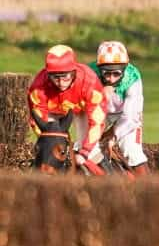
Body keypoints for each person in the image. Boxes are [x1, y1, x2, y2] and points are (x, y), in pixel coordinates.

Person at [26, 44, 109, 174]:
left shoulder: (90, 81)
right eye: (55, 77)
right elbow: (37, 119)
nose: (60, 82)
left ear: (74, 72)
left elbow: (97, 121)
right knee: (47, 148)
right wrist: (56, 139)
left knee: (91, 152)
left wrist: (85, 151)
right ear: (48, 75)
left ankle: (112, 179)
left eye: (65, 76)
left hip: (80, 112)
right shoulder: (38, 87)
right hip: (52, 114)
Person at [90, 41, 149, 176]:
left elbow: (130, 117)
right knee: (85, 149)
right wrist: (101, 94)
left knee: (133, 151)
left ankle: (149, 189)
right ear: (99, 69)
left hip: (126, 115)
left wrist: (112, 135)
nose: (111, 79)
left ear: (124, 69)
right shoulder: (90, 74)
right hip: (99, 113)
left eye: (116, 74)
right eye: (106, 74)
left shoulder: (133, 77)